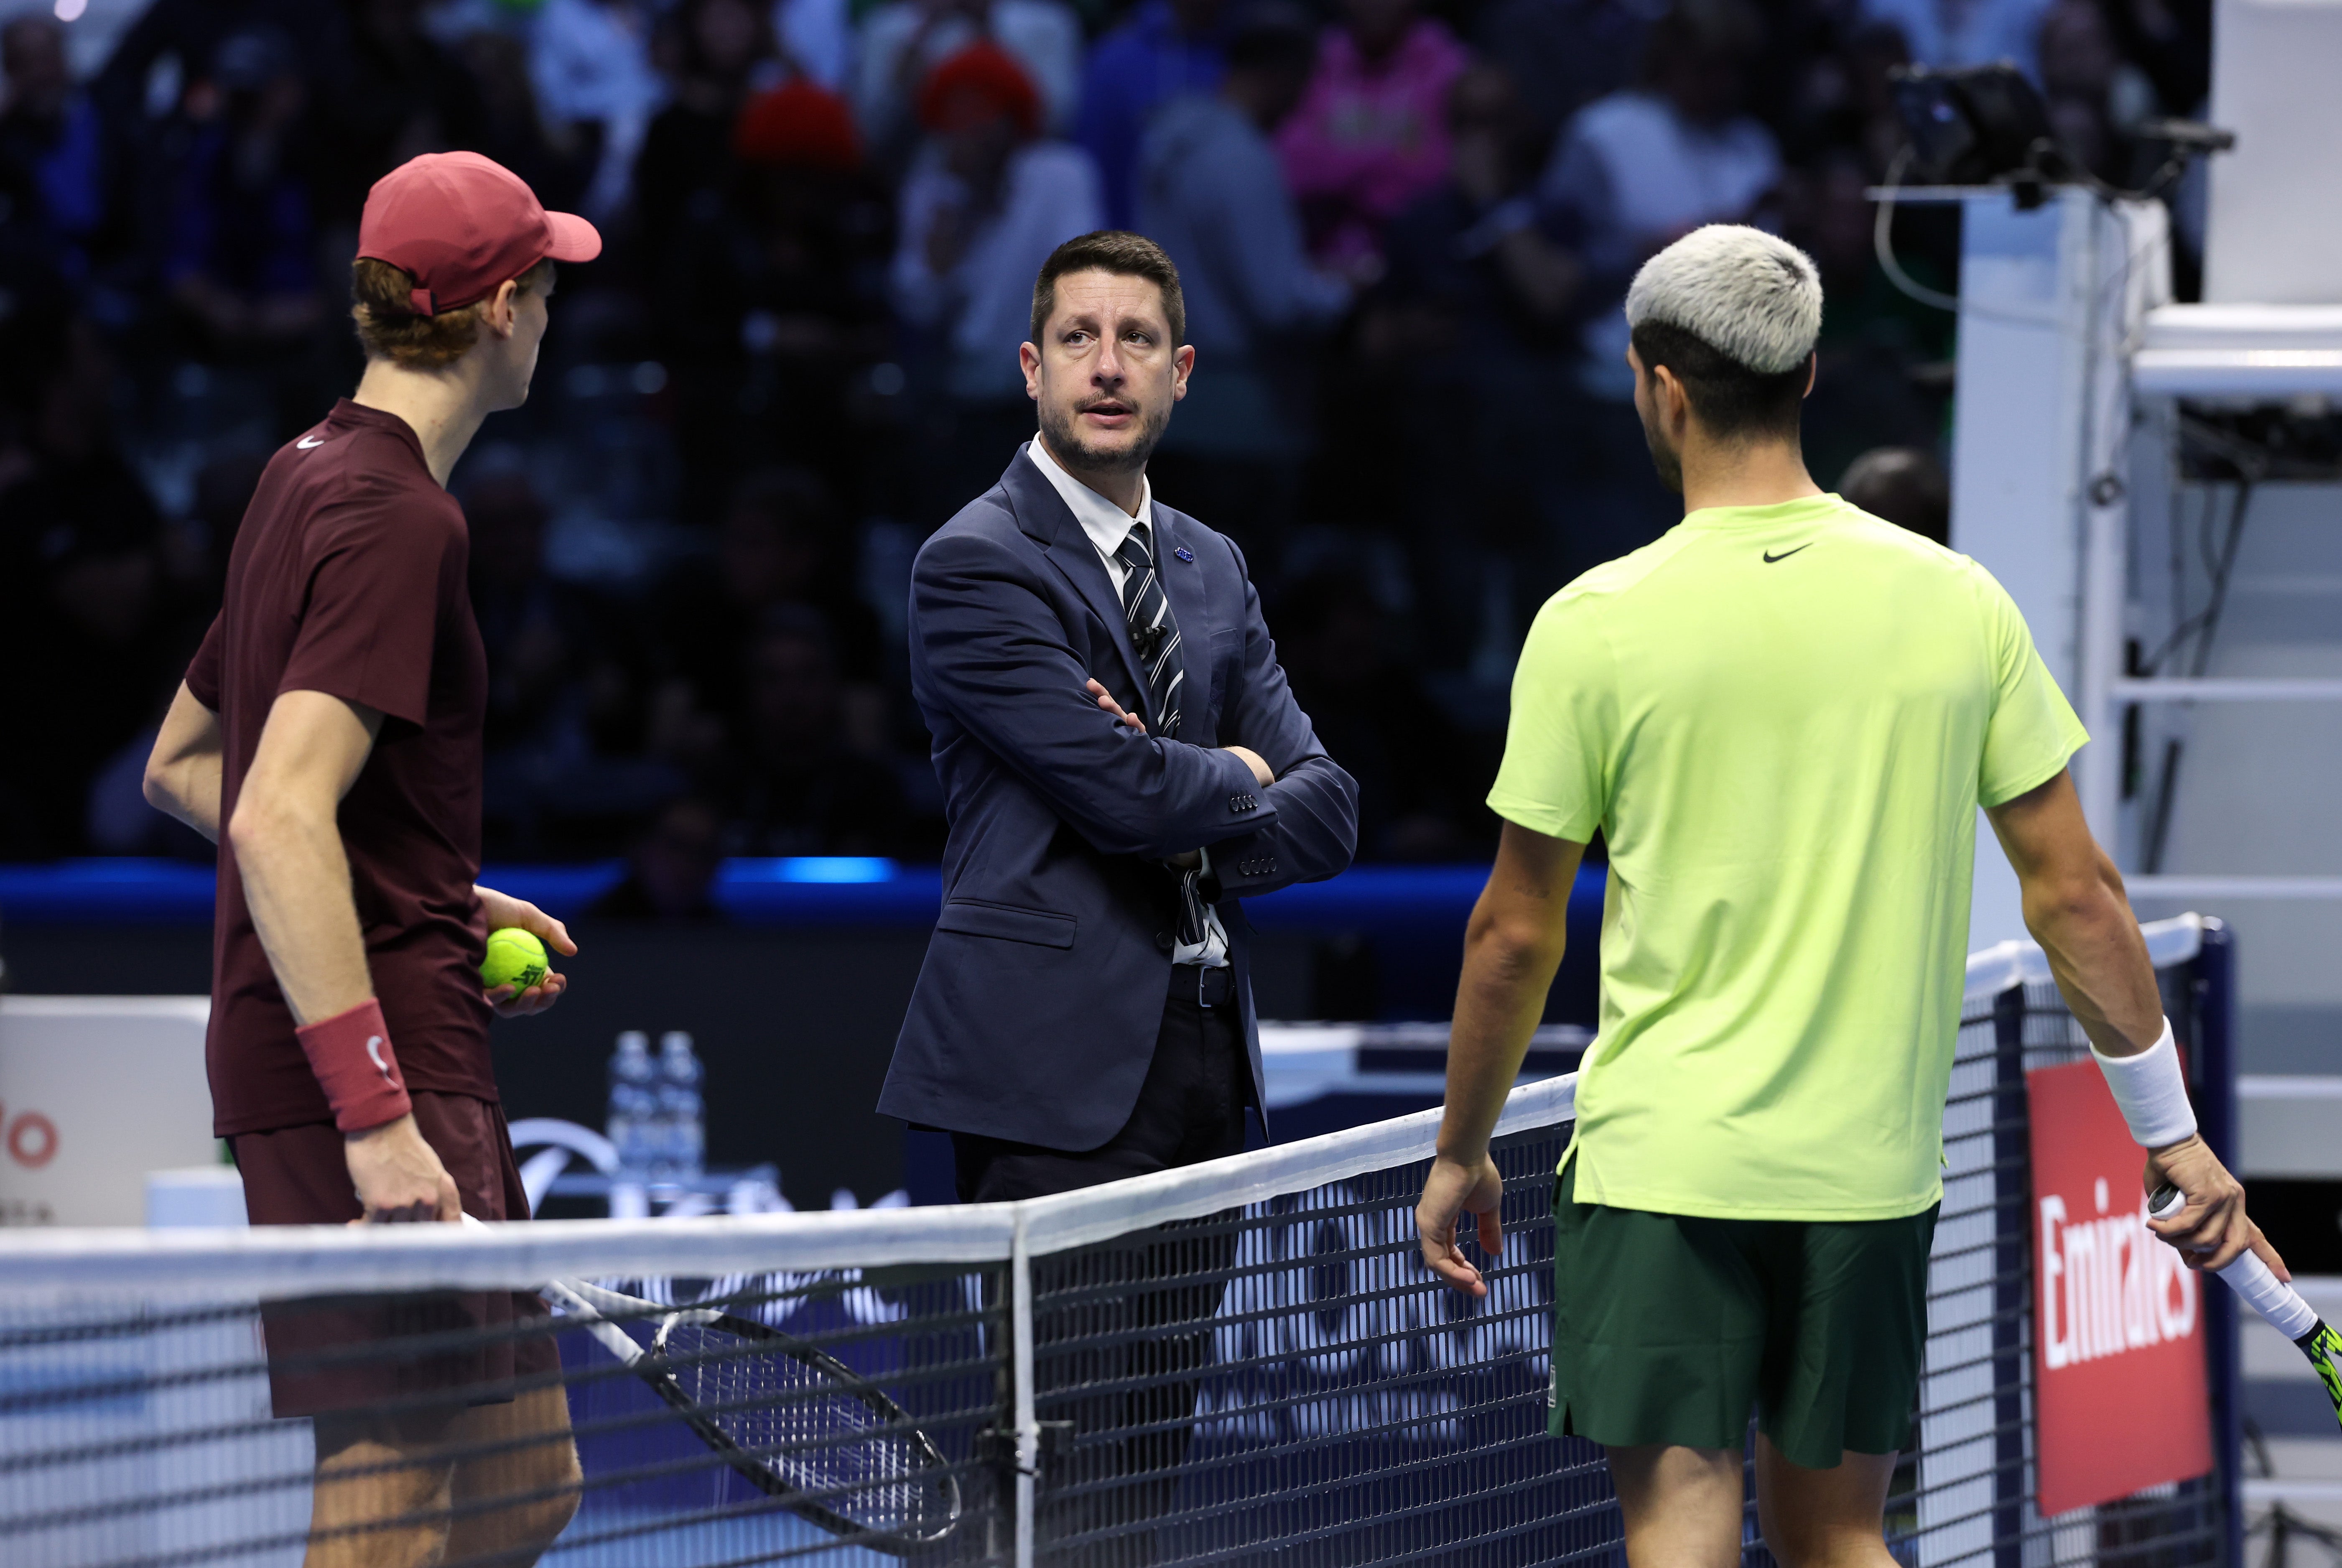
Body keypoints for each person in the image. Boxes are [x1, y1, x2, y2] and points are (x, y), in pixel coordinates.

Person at [1414, 224, 2282, 1568]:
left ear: (1659, 386)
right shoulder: (1956, 603)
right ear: (1810, 375)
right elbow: (2076, 897)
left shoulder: (1592, 621)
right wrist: (2168, 1135)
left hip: (1665, 1171)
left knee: (1681, 1535)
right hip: (1867, 1179)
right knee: (1841, 1543)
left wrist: (1462, 1147)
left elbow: (1513, 933)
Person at [140, 150, 601, 1568]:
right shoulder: (401, 518)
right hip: (370, 1067)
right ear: (505, 306)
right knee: (395, 1486)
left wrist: (433, 897)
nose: (552, 314)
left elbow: (183, 765)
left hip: (386, 1019)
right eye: (547, 286)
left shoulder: (301, 476)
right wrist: (376, 1115)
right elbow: (274, 812)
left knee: (525, 1485)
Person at [877, 229, 1358, 1558]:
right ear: (1031, 369)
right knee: (1051, 1468)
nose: (1107, 366)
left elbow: (1329, 811)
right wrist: (1211, 778)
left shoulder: (1210, 564)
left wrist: (1189, 784)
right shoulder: (974, 562)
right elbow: (1123, 798)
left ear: (1181, 373)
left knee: (1146, 1467)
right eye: (1078, 340)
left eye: (1135, 340)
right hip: (1048, 1071)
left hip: (1204, 1054)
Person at [1135, 1, 1348, 561]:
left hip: (1170, 408)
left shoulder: (1167, 143)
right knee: (1236, 611)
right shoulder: (1241, 158)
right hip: (1242, 421)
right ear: (1283, 74)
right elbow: (1277, 302)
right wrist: (1350, 289)